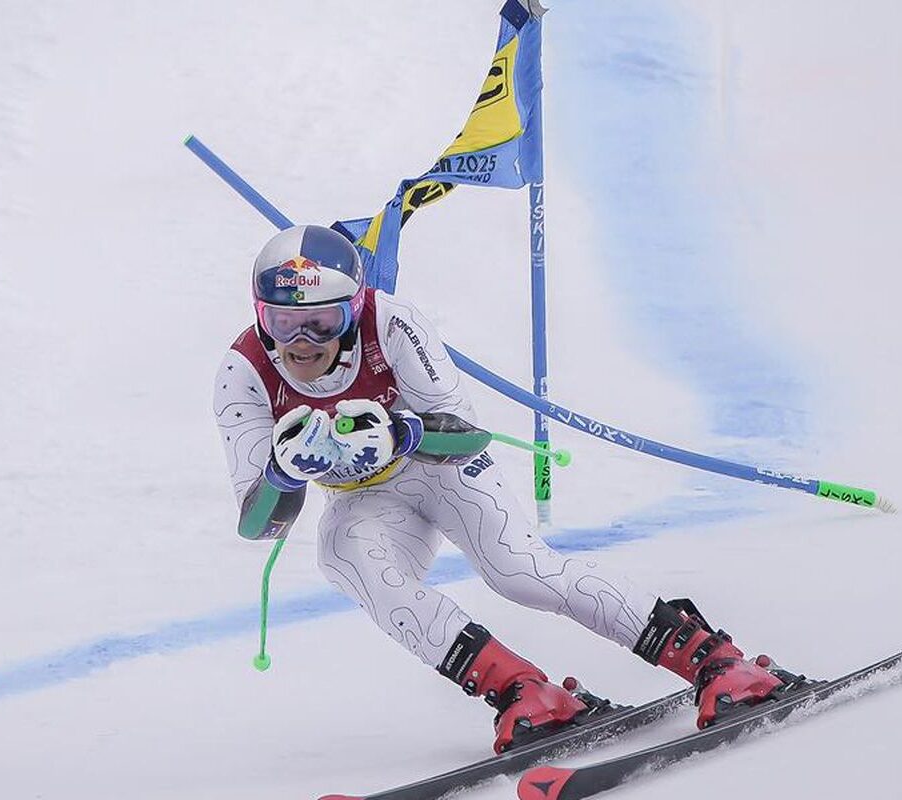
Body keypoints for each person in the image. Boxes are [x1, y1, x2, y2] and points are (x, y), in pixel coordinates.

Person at [213, 224, 791, 754]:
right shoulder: (243, 372)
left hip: (439, 469)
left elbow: (466, 435)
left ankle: (712, 658)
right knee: (344, 556)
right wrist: (283, 474)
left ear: (354, 309)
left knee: (519, 571)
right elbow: (258, 524)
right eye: (284, 322)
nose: (303, 341)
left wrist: (400, 432)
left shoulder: (390, 323)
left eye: (325, 320)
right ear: (261, 316)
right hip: (365, 499)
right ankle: (520, 690)